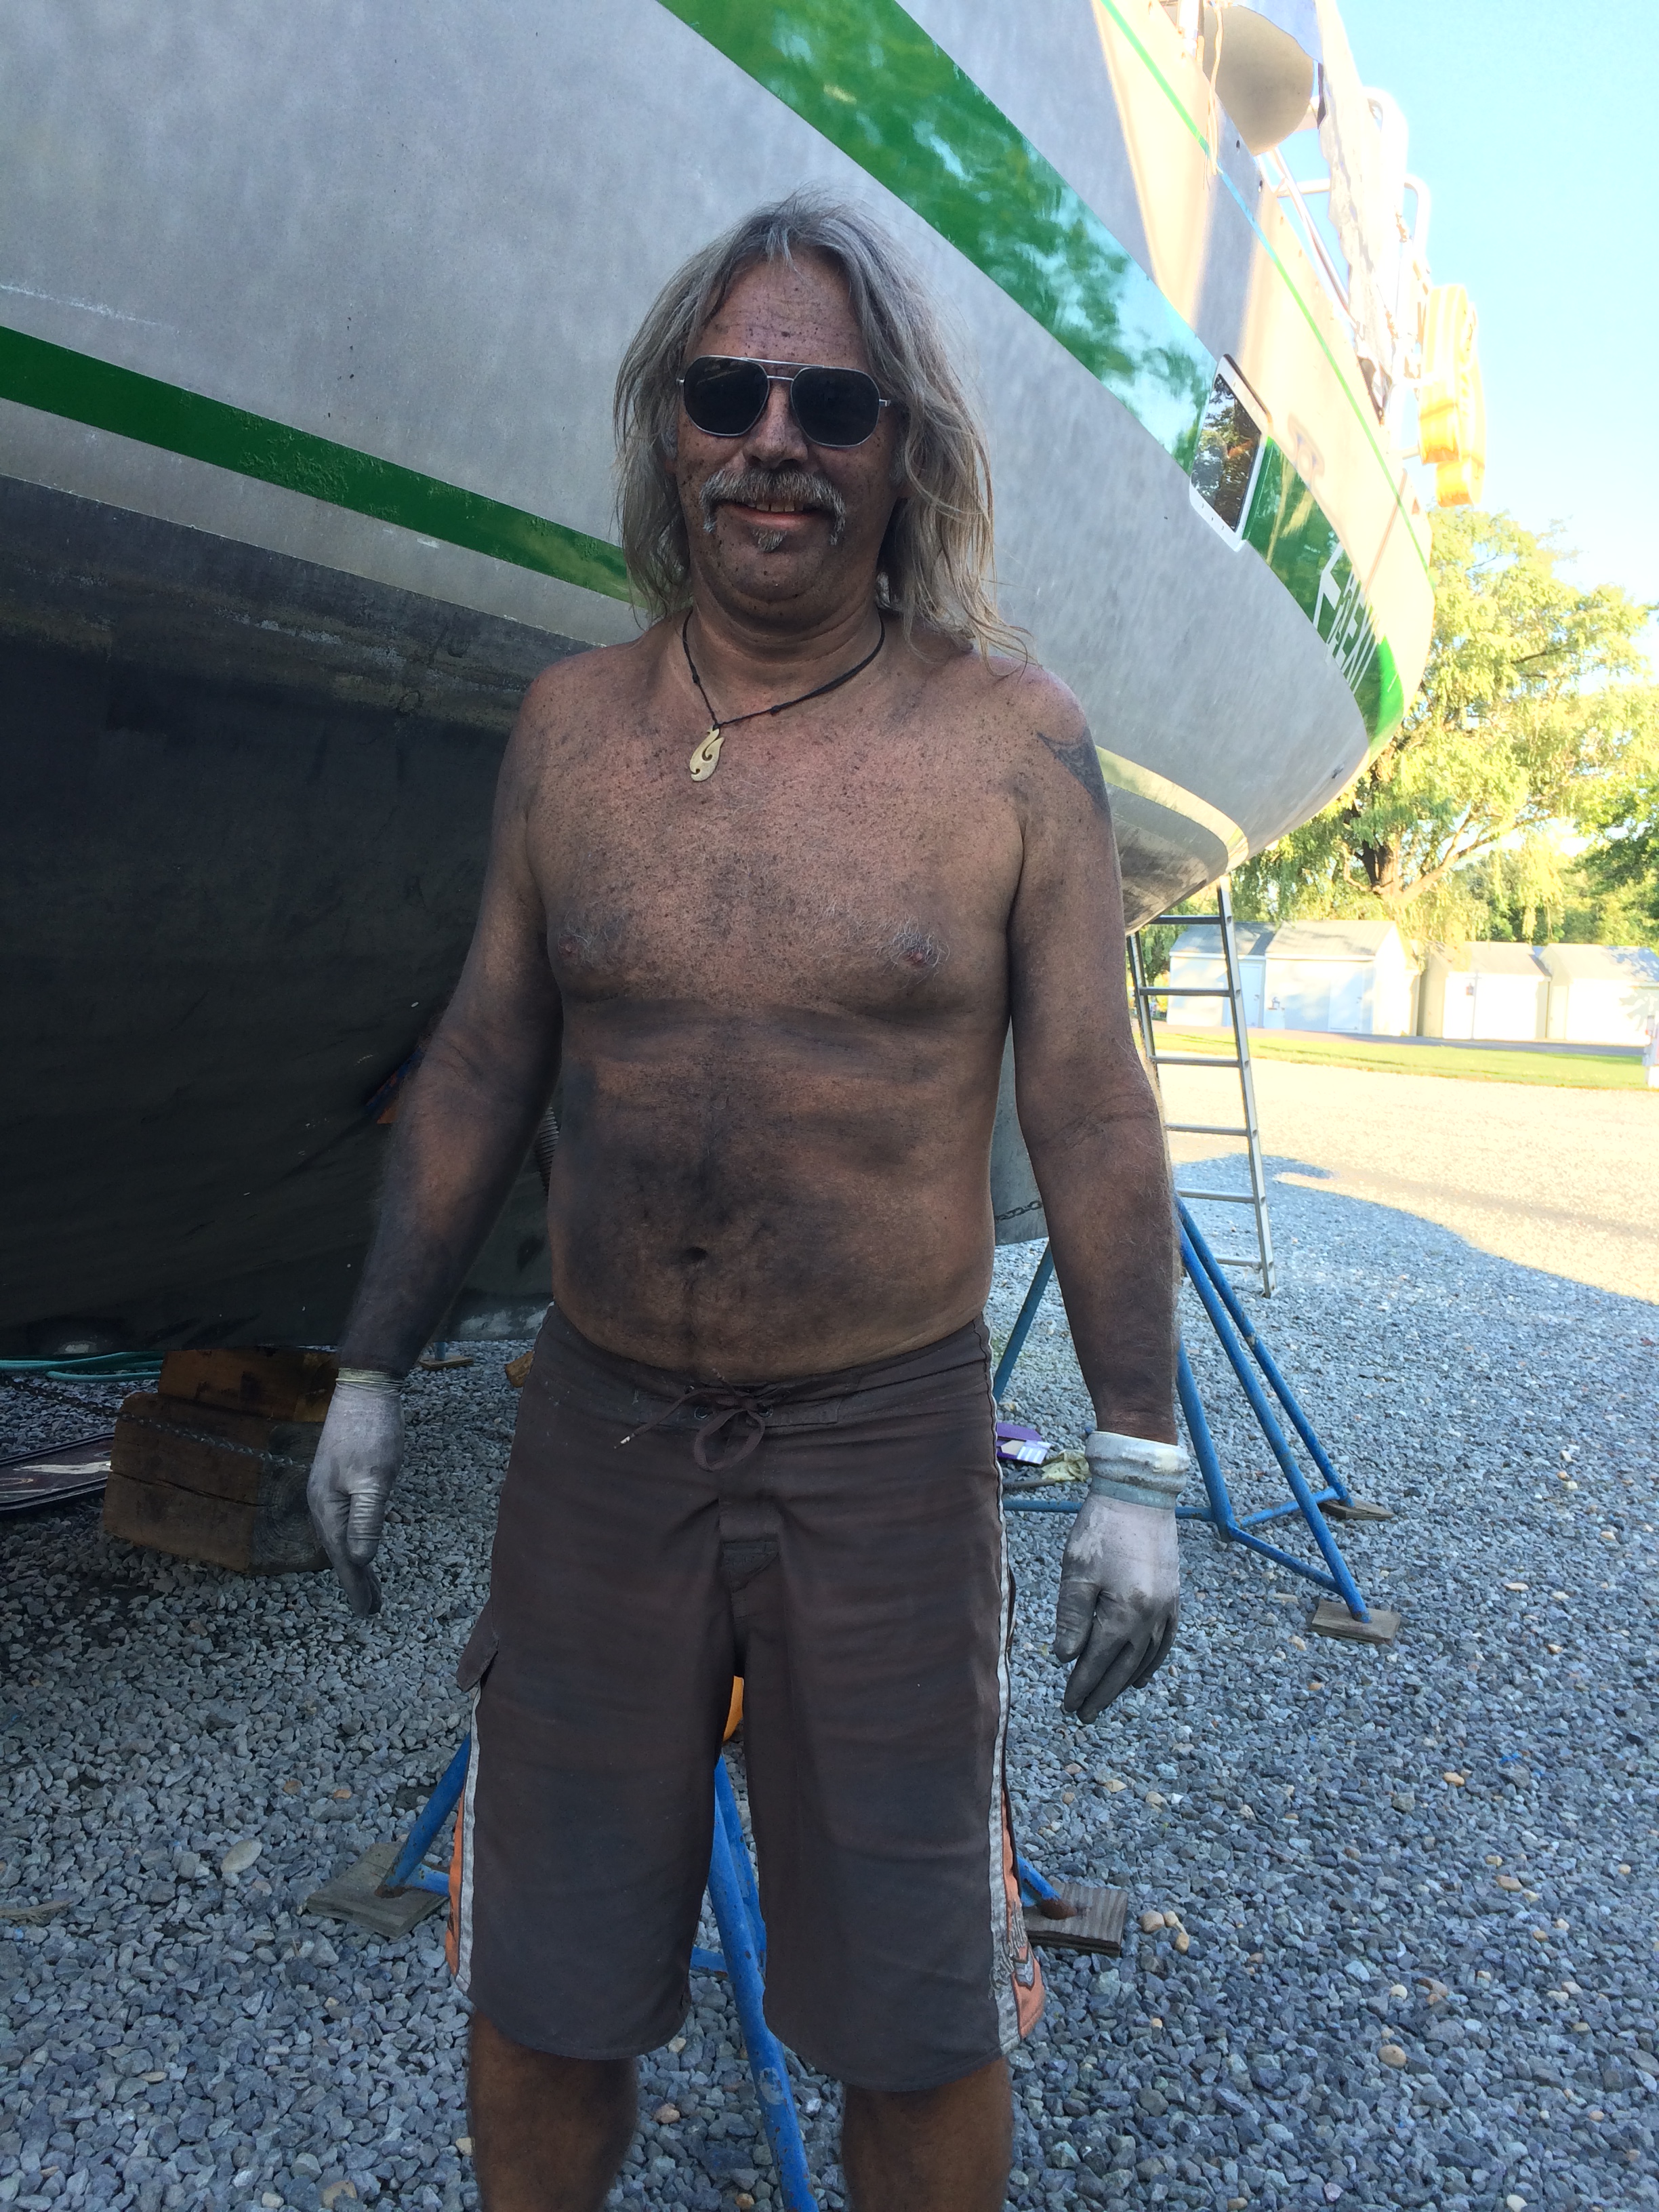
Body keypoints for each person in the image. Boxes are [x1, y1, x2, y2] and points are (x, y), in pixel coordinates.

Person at [308, 194, 1185, 2212]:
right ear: (670, 428)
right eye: (728, 394)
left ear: (905, 449)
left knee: (915, 2008)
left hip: (884, 1452)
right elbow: (480, 1061)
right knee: (543, 1987)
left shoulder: (1013, 745)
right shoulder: (569, 732)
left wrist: (1137, 1464)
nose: (773, 441)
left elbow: (1092, 1112)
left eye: (830, 404)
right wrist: (366, 1373)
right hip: (598, 1437)